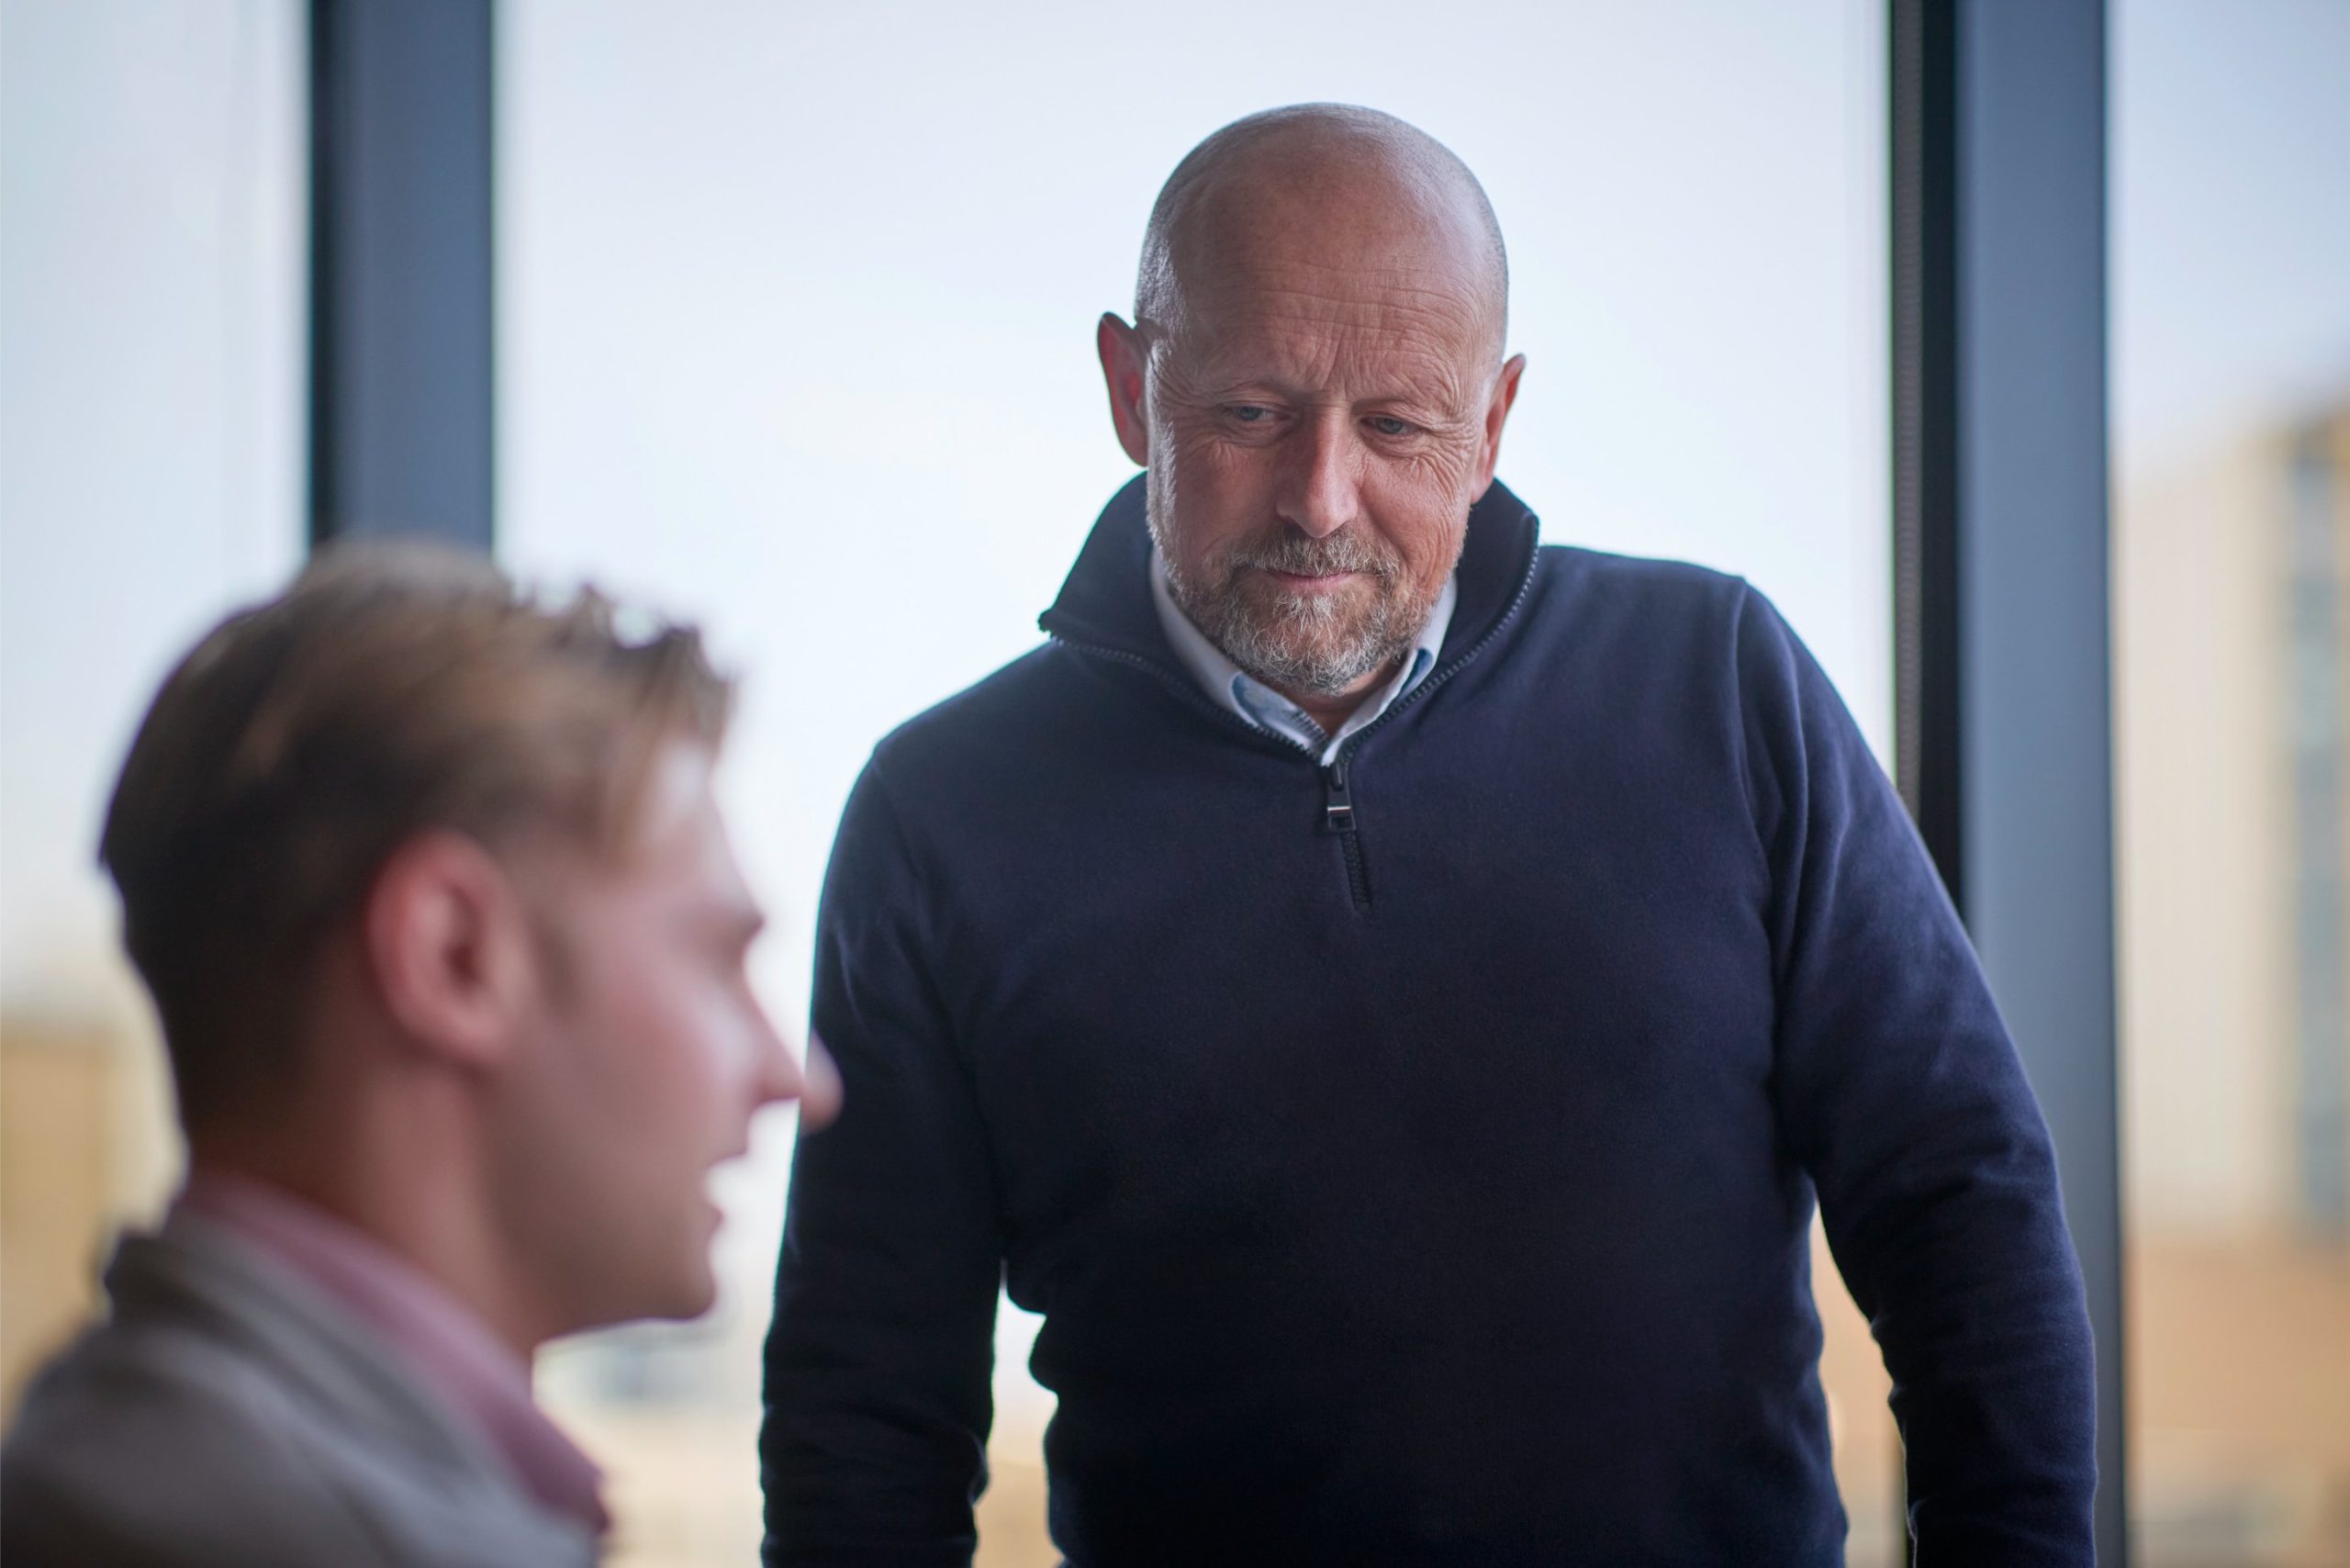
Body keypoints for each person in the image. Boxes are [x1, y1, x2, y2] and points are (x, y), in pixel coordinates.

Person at [762, 104, 2096, 1566]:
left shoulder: (1718, 682)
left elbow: (1961, 1200)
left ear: (1494, 425)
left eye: (1397, 425)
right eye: (1252, 413)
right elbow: (866, 1420)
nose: (1322, 500)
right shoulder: (940, 814)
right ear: (1133, 388)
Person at [2, 547, 835, 1567]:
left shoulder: (99, 1464)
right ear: (451, 956)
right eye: (714, 960)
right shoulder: (296, 1536)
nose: (796, 1079)